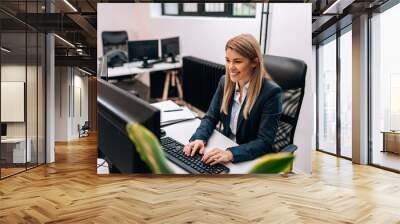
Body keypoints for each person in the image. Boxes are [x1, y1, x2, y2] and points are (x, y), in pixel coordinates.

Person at [183, 33, 283, 165]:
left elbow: (264, 142)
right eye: (228, 60)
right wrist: (199, 138)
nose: (230, 67)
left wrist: (230, 154)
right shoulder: (225, 82)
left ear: (254, 62)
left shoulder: (271, 93)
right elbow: (211, 117)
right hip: (226, 146)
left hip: (249, 157)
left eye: (237, 61)